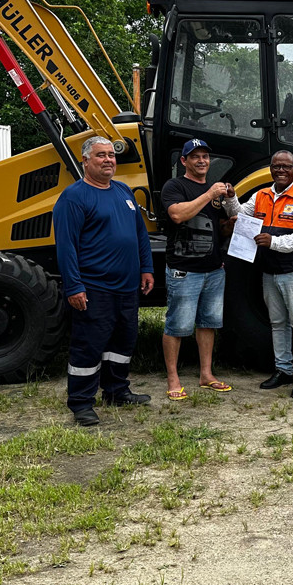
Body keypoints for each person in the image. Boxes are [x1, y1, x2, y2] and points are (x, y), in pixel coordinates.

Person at [53, 135, 155, 427]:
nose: (109, 160)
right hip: (95, 287)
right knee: (88, 346)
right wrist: (74, 286)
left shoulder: (123, 191)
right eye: (101, 155)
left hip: (127, 288)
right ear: (85, 161)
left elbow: (140, 235)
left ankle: (117, 391)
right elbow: (67, 247)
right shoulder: (74, 197)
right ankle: (82, 403)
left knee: (123, 343)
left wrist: (146, 269)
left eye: (111, 155)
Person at [239, 150, 293, 399]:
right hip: (269, 272)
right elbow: (241, 213)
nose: (281, 171)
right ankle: (283, 370)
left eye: (286, 167)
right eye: (276, 166)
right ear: (270, 169)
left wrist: (274, 243)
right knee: (278, 324)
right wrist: (231, 198)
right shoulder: (261, 195)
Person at [160, 138, 236, 401]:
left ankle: (206, 374)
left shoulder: (215, 194)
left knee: (208, 324)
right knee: (177, 325)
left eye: (205, 156)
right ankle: (173, 378)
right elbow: (178, 215)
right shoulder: (175, 186)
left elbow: (219, 229)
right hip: (184, 270)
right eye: (195, 157)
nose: (202, 161)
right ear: (184, 161)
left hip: (214, 270)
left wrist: (232, 224)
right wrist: (209, 195)